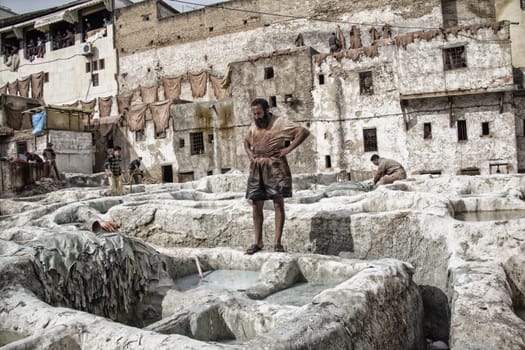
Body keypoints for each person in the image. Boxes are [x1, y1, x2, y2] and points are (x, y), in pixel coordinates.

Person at [244, 98, 310, 254]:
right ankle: (258, 242)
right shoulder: (254, 124)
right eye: (254, 114)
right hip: (257, 166)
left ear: (267, 110)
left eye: (259, 113)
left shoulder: (280, 123)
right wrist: (249, 154)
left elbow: (303, 132)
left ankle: (277, 243)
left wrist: (288, 150)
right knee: (256, 204)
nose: (257, 116)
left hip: (275, 165)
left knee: (278, 203)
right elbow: (246, 142)